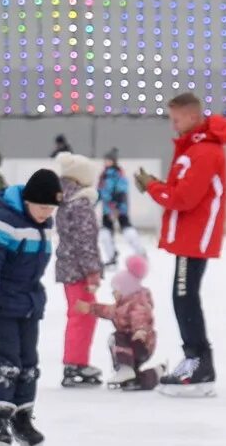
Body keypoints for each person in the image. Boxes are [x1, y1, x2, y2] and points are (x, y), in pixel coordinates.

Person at [136, 92, 226, 395]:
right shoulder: (193, 148)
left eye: (176, 119)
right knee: (183, 296)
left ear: (192, 116)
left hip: (194, 236)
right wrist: (159, 186)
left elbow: (184, 198)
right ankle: (196, 359)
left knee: (185, 297)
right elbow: (181, 191)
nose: (172, 125)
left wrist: (153, 187)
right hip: (189, 235)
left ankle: (199, 363)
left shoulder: (203, 151)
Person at [0, 169, 61, 446]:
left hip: (28, 304)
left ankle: (22, 419)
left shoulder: (44, 222)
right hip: (1, 306)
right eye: (41, 207)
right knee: (6, 364)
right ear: (27, 201)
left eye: (50, 208)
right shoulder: (3, 221)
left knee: (28, 365)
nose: (45, 213)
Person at [52, 152, 107, 386]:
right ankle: (75, 364)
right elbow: (86, 241)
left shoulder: (65, 200)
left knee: (79, 314)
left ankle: (76, 362)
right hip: (79, 270)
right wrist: (93, 270)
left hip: (68, 266)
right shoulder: (80, 203)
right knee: (83, 315)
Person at [79, 253, 159, 390]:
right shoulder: (123, 304)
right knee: (134, 377)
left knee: (117, 337)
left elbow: (141, 318)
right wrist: (90, 308)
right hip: (134, 344)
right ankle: (154, 373)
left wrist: (140, 331)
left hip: (139, 343)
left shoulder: (138, 302)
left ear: (125, 289)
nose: (113, 293)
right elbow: (108, 311)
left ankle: (126, 368)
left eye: (115, 290)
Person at [95, 149, 142, 265]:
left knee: (127, 230)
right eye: (105, 160)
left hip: (119, 209)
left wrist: (115, 205)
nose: (106, 162)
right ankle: (112, 257)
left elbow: (122, 190)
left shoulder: (118, 174)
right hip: (107, 209)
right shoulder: (103, 175)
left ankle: (140, 253)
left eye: (109, 160)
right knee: (105, 234)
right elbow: (100, 191)